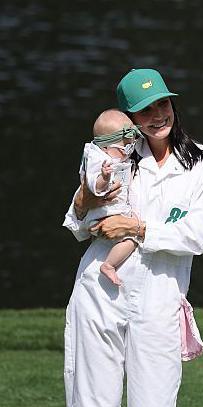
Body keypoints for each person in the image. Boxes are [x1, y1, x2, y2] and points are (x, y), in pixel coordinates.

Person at [60, 68, 203, 407]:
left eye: (162, 104)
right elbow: (77, 223)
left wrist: (137, 227)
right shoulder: (115, 153)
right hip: (99, 293)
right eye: (144, 109)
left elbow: (196, 235)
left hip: (160, 300)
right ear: (130, 117)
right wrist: (88, 199)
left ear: (173, 104)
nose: (157, 116)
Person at [77, 109, 142, 286]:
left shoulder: (118, 157)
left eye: (133, 143)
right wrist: (104, 178)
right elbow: (93, 187)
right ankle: (109, 265)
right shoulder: (99, 161)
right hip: (102, 218)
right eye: (127, 146)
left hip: (113, 214)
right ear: (106, 148)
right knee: (132, 238)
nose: (131, 149)